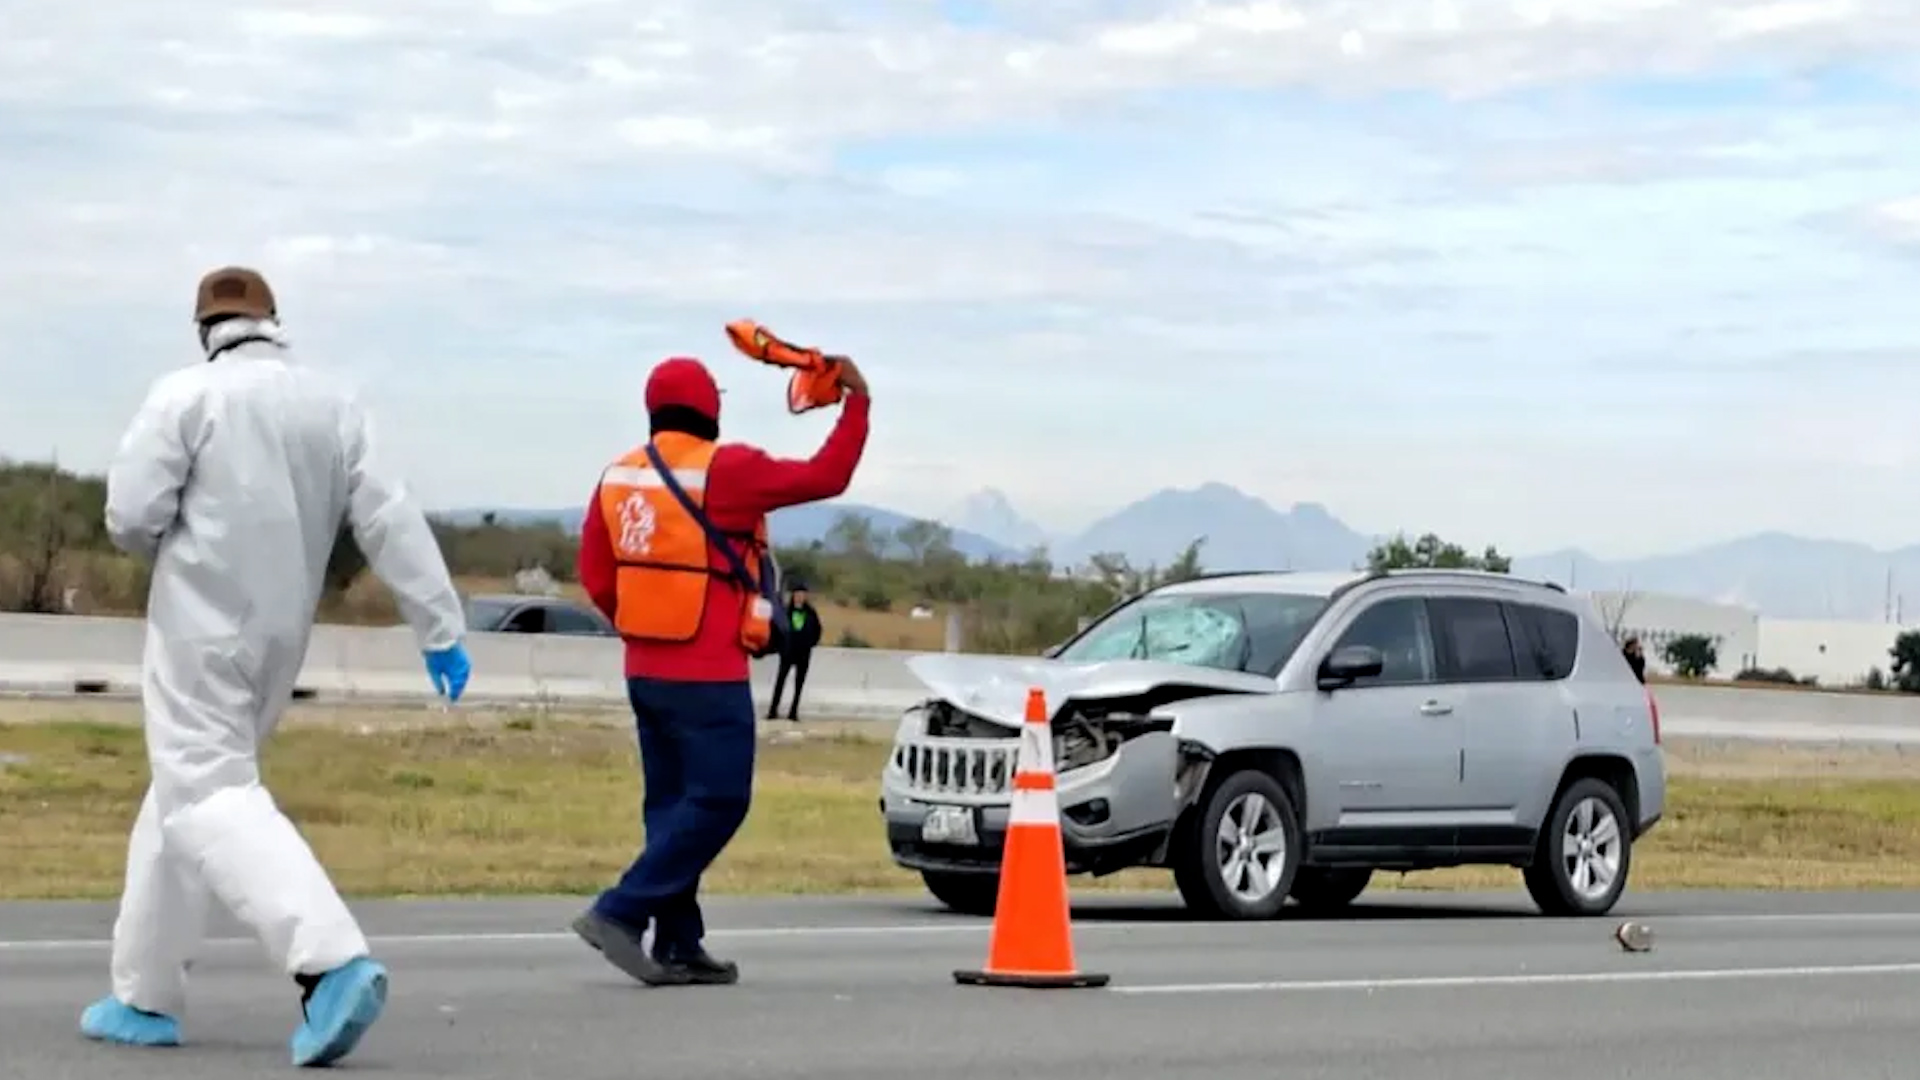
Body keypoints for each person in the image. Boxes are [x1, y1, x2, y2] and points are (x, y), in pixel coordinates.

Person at [81, 266, 473, 1068]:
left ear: (205, 330)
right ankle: (144, 992)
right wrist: (440, 627)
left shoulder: (186, 396)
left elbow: (129, 514)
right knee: (182, 796)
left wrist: (169, 547)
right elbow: (390, 519)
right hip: (278, 640)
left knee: (210, 791)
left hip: (200, 632)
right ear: (273, 322)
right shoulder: (333, 405)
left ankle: (329, 963)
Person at [572, 352, 869, 986]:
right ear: (710, 407)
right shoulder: (726, 469)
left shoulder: (617, 477)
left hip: (643, 666)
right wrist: (857, 403)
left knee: (672, 805)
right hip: (706, 673)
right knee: (721, 799)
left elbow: (597, 578)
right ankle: (619, 913)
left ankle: (680, 941)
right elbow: (827, 474)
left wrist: (642, 625)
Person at [766, 580, 823, 722]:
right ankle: (773, 710)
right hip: (787, 652)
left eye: (803, 595)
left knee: (799, 684)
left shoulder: (811, 613)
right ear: (793, 595)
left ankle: (793, 712)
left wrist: (810, 643)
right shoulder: (786, 611)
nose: (800, 597)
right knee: (780, 681)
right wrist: (778, 646)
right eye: (798, 594)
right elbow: (776, 629)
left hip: (804, 653)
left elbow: (818, 630)